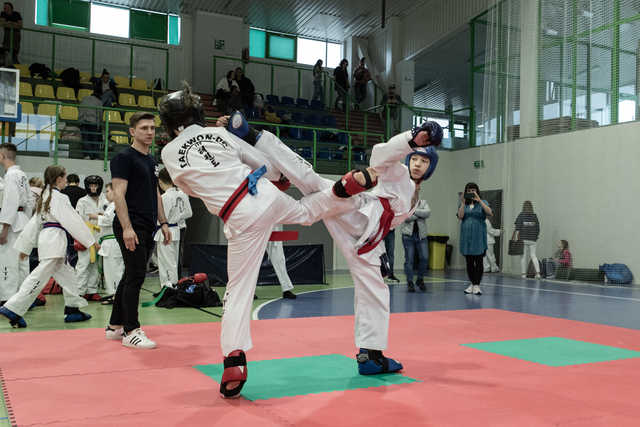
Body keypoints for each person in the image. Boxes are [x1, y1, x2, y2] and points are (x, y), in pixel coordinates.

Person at [157, 86, 365, 398]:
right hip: (264, 194)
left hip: (238, 213)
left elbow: (190, 188)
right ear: (198, 113)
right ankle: (343, 191)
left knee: (238, 288)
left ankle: (234, 360)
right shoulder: (222, 134)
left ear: (169, 124)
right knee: (308, 211)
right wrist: (277, 178)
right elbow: (263, 165)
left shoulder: (169, 153)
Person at [235, 114, 441, 385]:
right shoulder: (398, 173)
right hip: (357, 209)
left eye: (424, 160)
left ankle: (371, 355)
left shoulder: (415, 198)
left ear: (430, 167)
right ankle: (254, 138)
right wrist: (410, 139)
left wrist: (383, 255)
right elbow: (379, 156)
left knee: (375, 289)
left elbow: (389, 222)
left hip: (367, 239)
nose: (417, 163)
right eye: (415, 157)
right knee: (310, 186)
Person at [105, 112, 171, 350]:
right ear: (132, 132)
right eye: (144, 128)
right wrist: (127, 228)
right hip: (130, 224)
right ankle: (131, 331)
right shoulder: (124, 157)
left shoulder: (151, 160)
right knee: (136, 276)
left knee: (130, 274)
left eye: (152, 128)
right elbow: (118, 194)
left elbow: (156, 193)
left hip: (148, 225)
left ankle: (115, 326)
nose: (150, 132)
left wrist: (163, 223)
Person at [0, 165, 96, 327]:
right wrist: (91, 241)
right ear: (59, 179)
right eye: (65, 177)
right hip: (54, 241)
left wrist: (25, 246)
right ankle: (13, 308)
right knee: (38, 276)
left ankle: (73, 309)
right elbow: (72, 220)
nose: (66, 180)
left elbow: (34, 223)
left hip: (48, 239)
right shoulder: (58, 197)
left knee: (68, 275)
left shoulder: (46, 195)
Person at [0, 143, 33, 305]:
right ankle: (23, 298)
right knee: (22, 262)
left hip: (12, 223)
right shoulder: (22, 175)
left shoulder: (11, 176)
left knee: (8, 261)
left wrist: (4, 228)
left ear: (2, 156)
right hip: (22, 221)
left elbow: (10, 202)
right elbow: (30, 201)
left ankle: (7, 299)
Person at [155, 168, 192, 290]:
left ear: (160, 182)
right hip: (176, 229)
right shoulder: (181, 193)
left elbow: (162, 217)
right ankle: (173, 286)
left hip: (166, 230)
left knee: (166, 260)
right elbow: (188, 213)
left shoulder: (165, 197)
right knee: (173, 260)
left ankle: (168, 287)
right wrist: (177, 218)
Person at [75, 175, 107, 301]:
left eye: (96, 186)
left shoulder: (105, 199)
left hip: (101, 236)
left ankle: (92, 290)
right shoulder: (82, 201)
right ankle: (79, 291)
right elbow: (78, 221)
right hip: (86, 236)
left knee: (96, 265)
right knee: (83, 264)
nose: (93, 188)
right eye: (91, 186)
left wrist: (98, 216)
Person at [457, 183, 493, 295]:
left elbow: (489, 212)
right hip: (466, 236)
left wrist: (480, 201)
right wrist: (463, 203)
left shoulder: (483, 202)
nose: (472, 192)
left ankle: (477, 284)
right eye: (469, 190)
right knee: (469, 261)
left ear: (477, 191)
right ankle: (472, 284)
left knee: (478, 260)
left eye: (474, 190)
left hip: (478, 236)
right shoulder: (464, 204)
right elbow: (460, 216)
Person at [97, 183, 123, 305]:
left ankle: (116, 295)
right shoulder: (112, 205)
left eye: (108, 191)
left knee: (114, 270)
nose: (106, 194)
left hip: (113, 242)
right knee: (111, 270)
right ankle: (114, 293)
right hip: (110, 242)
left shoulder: (116, 204)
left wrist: (96, 217)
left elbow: (109, 220)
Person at [401, 197, 430, 292]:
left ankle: (420, 279)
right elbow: (406, 218)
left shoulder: (423, 202)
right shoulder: (404, 203)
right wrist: (420, 214)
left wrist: (414, 211)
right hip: (408, 236)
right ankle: (410, 282)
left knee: (425, 258)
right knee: (409, 260)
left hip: (421, 236)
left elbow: (428, 213)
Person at [266, 224, 296, 299]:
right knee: (251, 264)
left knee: (279, 260)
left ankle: (286, 289)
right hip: (256, 230)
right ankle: (248, 292)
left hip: (274, 231)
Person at [515, 200, 540, 279]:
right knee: (533, 255)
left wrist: (516, 238)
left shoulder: (521, 215)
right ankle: (538, 273)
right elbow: (538, 228)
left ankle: (523, 274)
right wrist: (535, 237)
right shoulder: (534, 216)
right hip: (533, 239)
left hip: (523, 239)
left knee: (523, 256)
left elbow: (517, 227)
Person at [78, 90, 103, 160]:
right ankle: (95, 156)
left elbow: (80, 109)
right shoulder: (98, 102)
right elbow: (100, 114)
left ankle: (87, 155)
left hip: (83, 121)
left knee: (85, 139)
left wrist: (80, 121)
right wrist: (99, 124)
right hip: (93, 122)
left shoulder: (84, 99)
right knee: (94, 139)